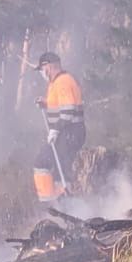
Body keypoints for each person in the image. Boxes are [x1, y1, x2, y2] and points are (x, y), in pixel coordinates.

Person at [33, 51, 85, 202]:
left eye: (42, 69)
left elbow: (68, 110)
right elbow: (59, 104)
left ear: (48, 66)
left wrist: (55, 129)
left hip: (70, 133)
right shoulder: (55, 83)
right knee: (56, 166)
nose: (42, 73)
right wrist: (45, 103)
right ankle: (56, 200)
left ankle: (56, 201)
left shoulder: (63, 81)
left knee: (48, 163)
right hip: (66, 133)